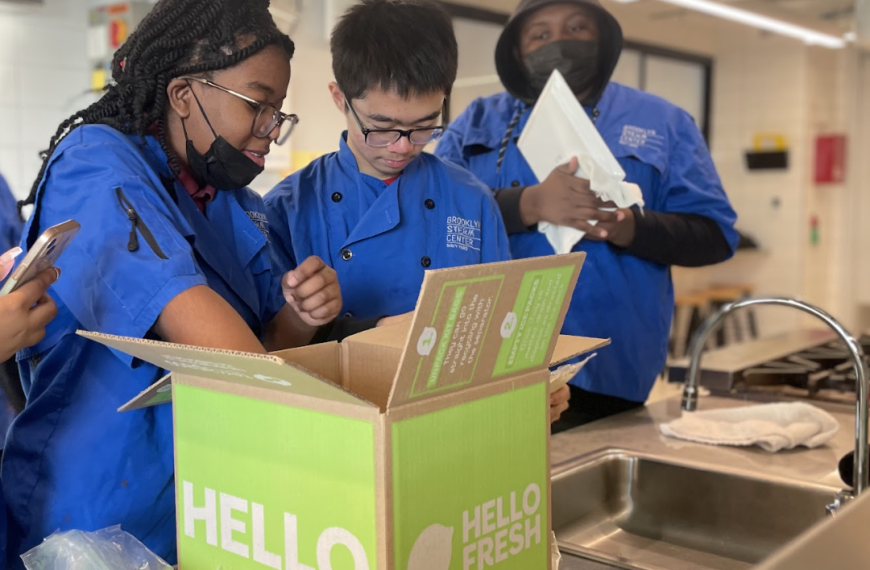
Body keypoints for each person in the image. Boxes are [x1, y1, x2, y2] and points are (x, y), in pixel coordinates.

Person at [2, 1, 345, 566]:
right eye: (257, 105)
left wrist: (298, 318)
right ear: (183, 95)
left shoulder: (233, 202)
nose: (271, 131)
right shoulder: (95, 164)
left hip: (204, 498)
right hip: (98, 508)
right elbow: (229, 353)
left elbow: (261, 352)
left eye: (278, 112)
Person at [436, 0, 738, 431]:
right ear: (518, 51)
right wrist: (528, 205)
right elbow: (435, 220)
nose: (558, 42)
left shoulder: (663, 122)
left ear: (603, 40)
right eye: (539, 34)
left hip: (613, 364)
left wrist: (632, 226)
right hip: (493, 357)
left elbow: (714, 235)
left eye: (577, 28)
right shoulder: (477, 123)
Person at [264, 0, 571, 425]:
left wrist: (534, 385)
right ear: (340, 98)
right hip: (337, 426)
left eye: (426, 124)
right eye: (383, 126)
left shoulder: (470, 199)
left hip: (454, 425)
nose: (404, 146)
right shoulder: (288, 208)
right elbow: (267, 356)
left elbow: (504, 331)